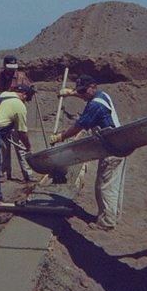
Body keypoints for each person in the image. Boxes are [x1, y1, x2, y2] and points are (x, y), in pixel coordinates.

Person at [49, 74, 126, 231]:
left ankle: (106, 223)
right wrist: (71, 93)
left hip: (112, 150)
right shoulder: (102, 95)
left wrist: (60, 137)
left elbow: (79, 126)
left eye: (84, 91)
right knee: (114, 186)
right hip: (119, 145)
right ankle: (113, 217)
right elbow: (84, 94)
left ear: (93, 87)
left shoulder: (95, 106)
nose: (82, 94)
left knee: (104, 187)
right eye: (80, 91)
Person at [0, 55, 36, 182]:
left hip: (16, 115)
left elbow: (29, 93)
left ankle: (28, 173)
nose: (12, 70)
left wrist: (31, 91)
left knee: (20, 145)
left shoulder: (21, 77)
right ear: (4, 66)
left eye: (14, 67)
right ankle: (5, 173)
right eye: (9, 67)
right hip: (2, 116)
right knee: (4, 146)